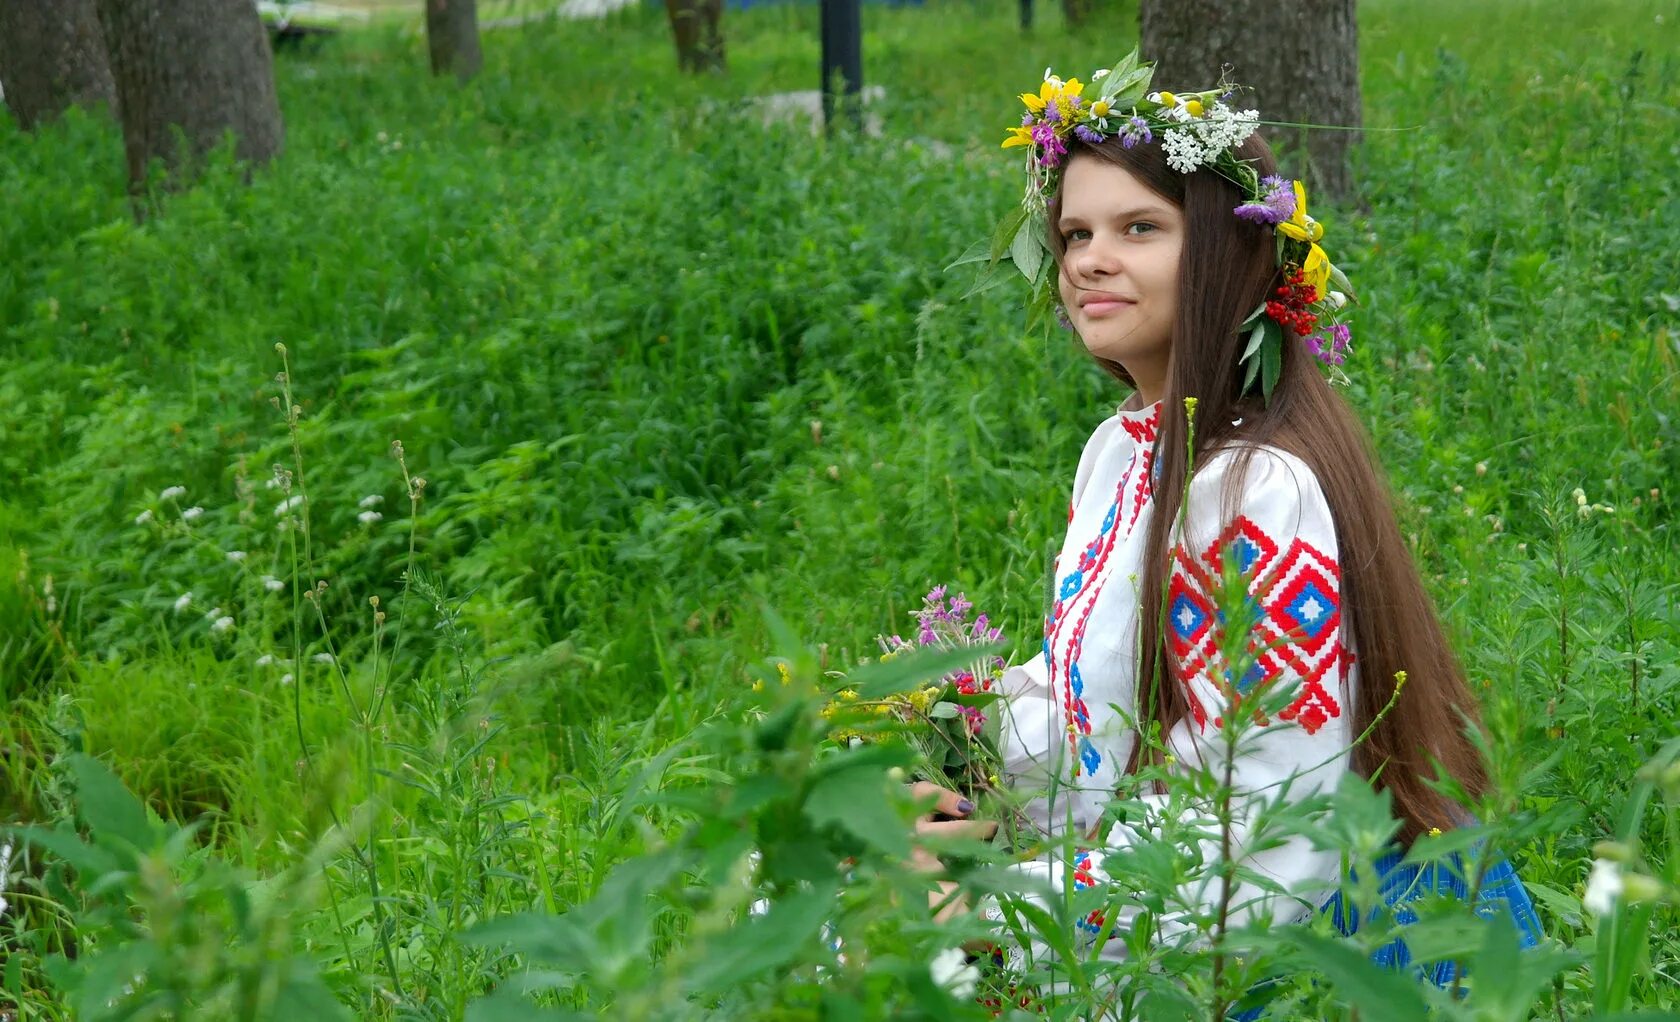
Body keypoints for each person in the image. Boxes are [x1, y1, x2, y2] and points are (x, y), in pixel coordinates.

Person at [909, 52, 1540, 982]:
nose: (1091, 258)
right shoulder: (1124, 451)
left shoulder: (1256, 491)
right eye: (1075, 231)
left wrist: (997, 905)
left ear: (1225, 253)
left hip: (1298, 962)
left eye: (1139, 227)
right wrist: (950, 746)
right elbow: (1096, 701)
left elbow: (1266, 825)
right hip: (1154, 892)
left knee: (872, 950)